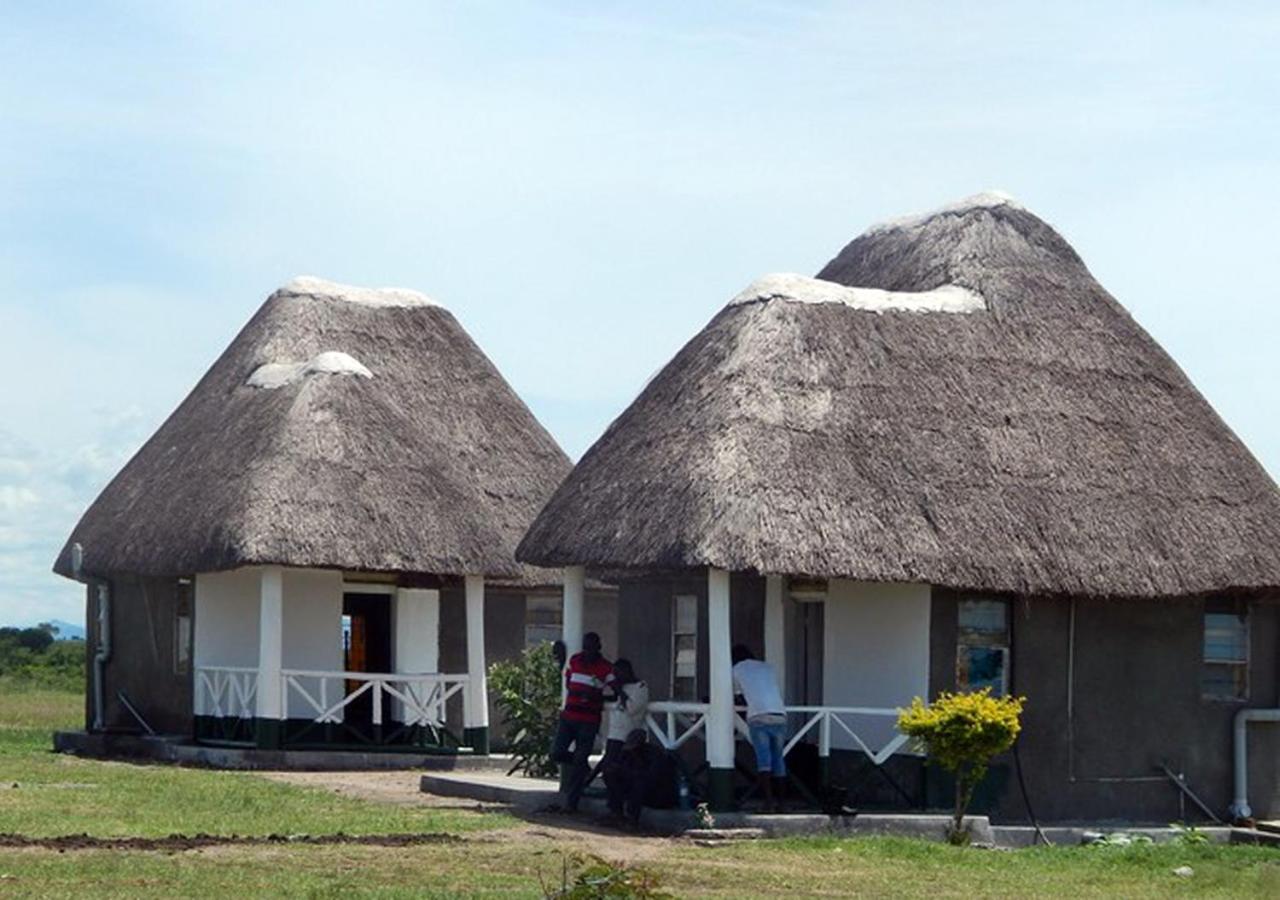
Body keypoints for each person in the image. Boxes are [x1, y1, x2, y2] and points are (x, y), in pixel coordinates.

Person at [549, 631, 615, 812]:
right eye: (585, 647)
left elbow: (615, 691)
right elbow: (569, 682)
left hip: (589, 720)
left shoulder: (606, 668)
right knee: (556, 752)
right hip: (569, 716)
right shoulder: (575, 660)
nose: (588, 651)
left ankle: (572, 803)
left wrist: (596, 695)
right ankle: (583, 764)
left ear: (598, 647)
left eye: (592, 647)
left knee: (578, 762)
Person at [731, 644, 788, 811]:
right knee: (779, 760)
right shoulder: (767, 667)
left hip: (758, 715)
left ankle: (768, 803)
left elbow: (738, 697)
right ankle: (782, 803)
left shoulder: (736, 669)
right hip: (779, 714)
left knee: (764, 761)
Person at [603, 728, 678, 828]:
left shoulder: (654, 754)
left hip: (656, 794)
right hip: (634, 788)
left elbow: (652, 777)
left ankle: (632, 819)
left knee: (639, 783)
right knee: (611, 775)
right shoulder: (627, 753)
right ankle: (616, 812)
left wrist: (630, 772)